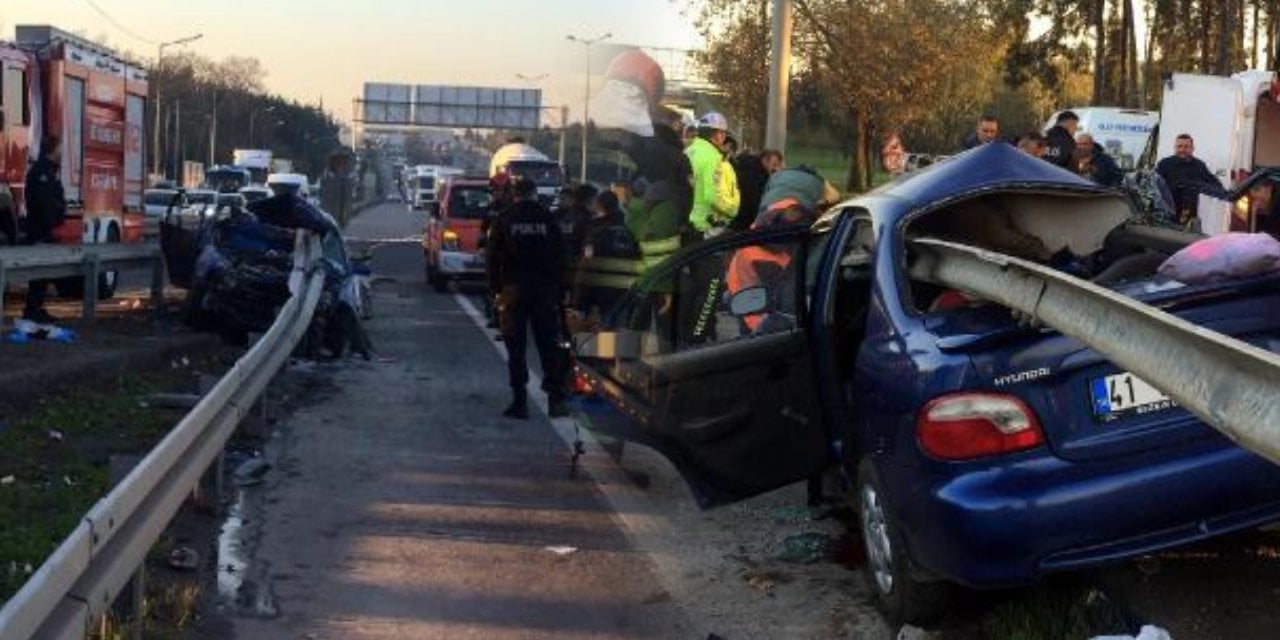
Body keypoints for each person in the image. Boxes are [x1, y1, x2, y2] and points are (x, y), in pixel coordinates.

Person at [487, 178, 570, 419]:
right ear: (534, 193)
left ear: (515, 194)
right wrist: (561, 289)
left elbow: (492, 259)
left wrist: (494, 290)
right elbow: (560, 256)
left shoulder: (504, 218)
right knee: (548, 346)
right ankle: (555, 401)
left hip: (513, 291)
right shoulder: (548, 218)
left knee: (516, 347)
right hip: (544, 291)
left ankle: (520, 402)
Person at [22, 136, 68, 324]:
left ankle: (36, 308)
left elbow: (57, 198)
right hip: (40, 230)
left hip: (46, 229)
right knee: (39, 272)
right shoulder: (41, 172)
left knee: (44, 272)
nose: (62, 152)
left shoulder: (50, 171)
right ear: (53, 150)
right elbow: (44, 203)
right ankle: (32, 310)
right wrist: (51, 222)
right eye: (60, 148)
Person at [576, 190, 642, 318]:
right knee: (618, 327)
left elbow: (587, 257)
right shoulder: (628, 226)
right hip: (625, 288)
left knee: (602, 329)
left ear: (599, 205)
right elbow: (638, 255)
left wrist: (578, 288)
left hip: (600, 290)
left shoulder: (594, 227)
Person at [684, 111, 740, 240]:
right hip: (706, 225)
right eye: (723, 133)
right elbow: (713, 196)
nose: (724, 137)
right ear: (716, 134)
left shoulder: (688, 151)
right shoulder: (713, 158)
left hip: (686, 220)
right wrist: (732, 211)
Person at [1155, 133, 1223, 221]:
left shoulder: (1199, 165)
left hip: (1189, 214)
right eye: (1179, 146)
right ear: (1175, 148)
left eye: (1186, 146)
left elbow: (1214, 184)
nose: (1182, 149)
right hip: (1166, 213)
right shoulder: (1164, 164)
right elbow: (1155, 185)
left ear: (1192, 148)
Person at [729, 149, 784, 231]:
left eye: (778, 166)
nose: (776, 169)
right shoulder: (755, 175)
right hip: (742, 219)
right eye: (774, 165)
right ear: (765, 160)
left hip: (735, 214)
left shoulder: (748, 165)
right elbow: (754, 200)